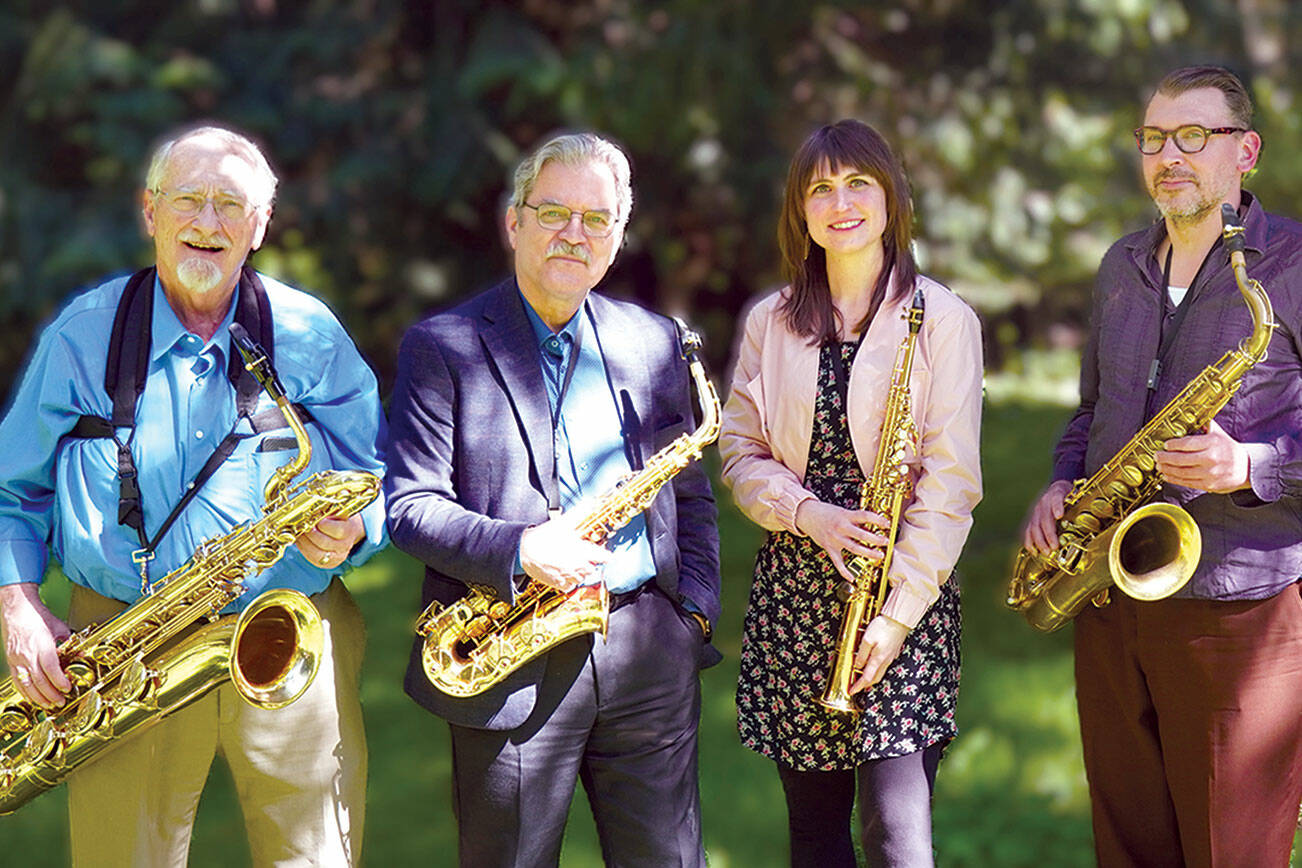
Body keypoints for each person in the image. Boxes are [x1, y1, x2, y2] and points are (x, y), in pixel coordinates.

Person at [0, 125, 386, 866]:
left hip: (288, 625)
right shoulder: (82, 338)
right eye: (189, 200)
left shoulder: (309, 332)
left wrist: (355, 526)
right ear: (151, 212)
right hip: (120, 641)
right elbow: (11, 490)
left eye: (231, 205)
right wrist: (18, 606)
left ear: (260, 226)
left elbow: (373, 470)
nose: (208, 224)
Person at [385, 131, 721, 866]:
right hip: (511, 652)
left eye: (596, 219)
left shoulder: (654, 341)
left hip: (646, 651)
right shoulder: (442, 346)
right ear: (514, 224)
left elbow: (689, 493)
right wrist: (520, 548)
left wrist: (692, 611)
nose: (574, 234)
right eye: (553, 213)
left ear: (617, 236)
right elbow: (408, 503)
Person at [1021, 65, 1302, 866]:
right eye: (1152, 138)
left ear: (1244, 150)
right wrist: (1059, 481)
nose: (1167, 156)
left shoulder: (1293, 265)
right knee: (1129, 844)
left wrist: (1250, 463)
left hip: (1237, 606)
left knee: (1231, 850)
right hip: (1112, 595)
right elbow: (1091, 409)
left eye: (1192, 136)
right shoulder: (1122, 265)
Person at [718, 119, 983, 866]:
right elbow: (741, 452)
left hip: (904, 593)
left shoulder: (945, 320)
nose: (842, 203)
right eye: (821, 189)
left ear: (891, 197)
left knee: (899, 837)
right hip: (799, 589)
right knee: (816, 837)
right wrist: (812, 515)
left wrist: (896, 617)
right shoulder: (771, 321)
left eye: (858, 182)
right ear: (800, 212)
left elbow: (953, 484)